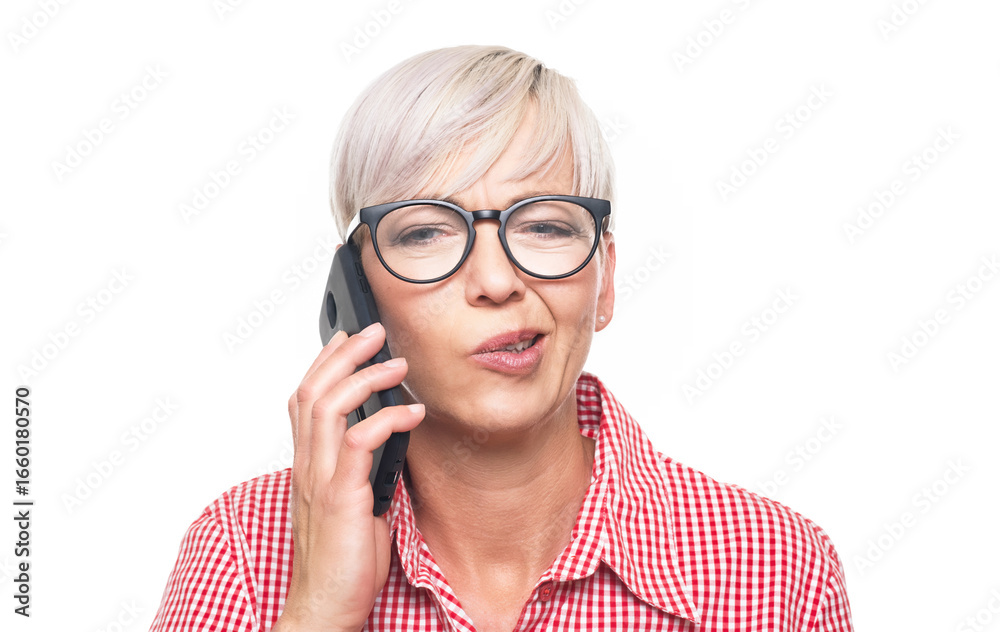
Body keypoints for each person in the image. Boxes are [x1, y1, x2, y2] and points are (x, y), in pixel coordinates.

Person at [149, 45, 853, 631]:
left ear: (604, 279)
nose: (495, 280)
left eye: (544, 226)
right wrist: (317, 612)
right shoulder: (241, 550)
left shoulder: (779, 570)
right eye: (425, 232)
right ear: (355, 294)